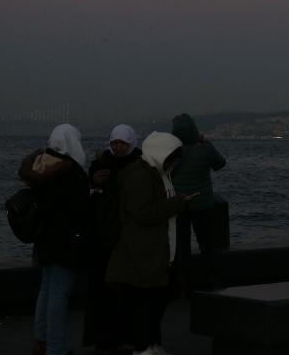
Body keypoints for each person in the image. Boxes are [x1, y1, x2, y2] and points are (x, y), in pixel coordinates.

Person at [105, 131, 191, 355]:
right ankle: (144, 347)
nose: (175, 162)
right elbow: (144, 213)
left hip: (154, 250)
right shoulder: (141, 176)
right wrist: (177, 204)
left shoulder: (156, 173)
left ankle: (151, 344)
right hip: (143, 250)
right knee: (146, 304)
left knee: (152, 303)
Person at [18, 124, 90, 355]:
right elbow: (79, 206)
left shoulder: (41, 165)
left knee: (46, 291)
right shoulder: (72, 170)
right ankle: (56, 350)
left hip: (44, 239)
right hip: (66, 242)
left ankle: (41, 342)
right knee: (59, 295)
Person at [83, 124, 142, 355]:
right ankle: (107, 337)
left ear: (130, 143)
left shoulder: (137, 164)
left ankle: (122, 336)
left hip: (123, 236)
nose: (117, 147)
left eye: (122, 143)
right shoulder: (102, 164)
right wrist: (94, 183)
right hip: (107, 236)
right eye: (115, 143)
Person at [170, 113, 226, 292]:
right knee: (207, 245)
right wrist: (206, 143)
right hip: (202, 204)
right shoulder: (204, 148)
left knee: (181, 247)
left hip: (179, 204)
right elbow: (220, 164)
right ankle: (214, 284)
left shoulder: (171, 153)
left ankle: (181, 287)